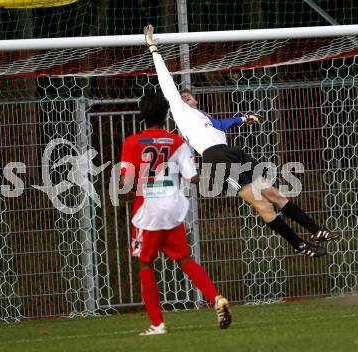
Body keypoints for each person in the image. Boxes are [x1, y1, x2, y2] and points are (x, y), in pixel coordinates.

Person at [144, 24, 339, 258]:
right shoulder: (182, 113)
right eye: (181, 97)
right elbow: (167, 84)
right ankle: (299, 245)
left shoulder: (207, 119)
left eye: (188, 96)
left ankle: (317, 230)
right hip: (216, 159)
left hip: (233, 153)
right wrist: (154, 49)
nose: (184, 98)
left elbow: (224, 125)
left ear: (196, 100)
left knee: (274, 194)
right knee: (262, 204)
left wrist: (244, 118)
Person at [119, 91, 232, 335]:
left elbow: (126, 181)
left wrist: (125, 194)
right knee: (184, 259)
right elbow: (193, 178)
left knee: (146, 264)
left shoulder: (132, 142)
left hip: (147, 210)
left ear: (142, 115)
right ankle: (216, 298)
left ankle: (157, 323)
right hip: (173, 207)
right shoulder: (176, 142)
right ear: (166, 114)